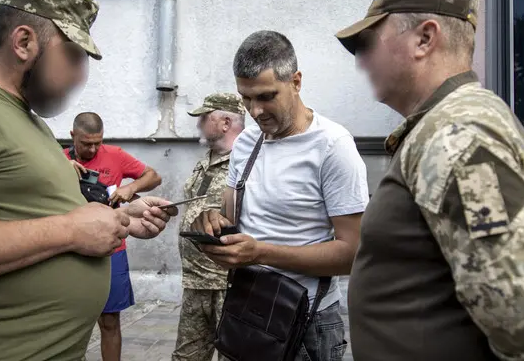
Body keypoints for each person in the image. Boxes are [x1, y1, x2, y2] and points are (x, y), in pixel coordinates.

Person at [335, 0, 524, 361]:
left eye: (367, 44)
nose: (361, 62)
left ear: (425, 39)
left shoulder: (459, 132)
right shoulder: (441, 126)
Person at [0, 0, 177, 361]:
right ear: (23, 42)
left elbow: (35, 211)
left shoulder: (31, 122)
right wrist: (70, 231)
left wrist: (123, 217)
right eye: (72, 56)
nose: (80, 76)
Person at [191, 30, 370, 361]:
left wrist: (259, 253)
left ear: (297, 81)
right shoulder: (246, 143)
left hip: (307, 320)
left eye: (266, 96)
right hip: (247, 307)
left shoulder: (332, 147)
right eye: (246, 99)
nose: (255, 111)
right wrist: (213, 223)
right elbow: (231, 216)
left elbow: (352, 254)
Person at [64, 111, 162, 361]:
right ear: (72, 136)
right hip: (69, 253)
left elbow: (153, 176)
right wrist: (59, 165)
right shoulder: (58, 159)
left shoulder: (115, 155)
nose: (93, 148)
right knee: (69, 322)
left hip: (112, 252)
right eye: (86, 143)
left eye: (98, 142)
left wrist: (131, 187)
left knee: (109, 322)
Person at [172, 93, 246, 361]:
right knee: (186, 357)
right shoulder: (206, 161)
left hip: (228, 285)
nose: (198, 124)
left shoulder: (248, 163)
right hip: (196, 282)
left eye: (205, 117)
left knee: (233, 355)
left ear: (226, 122)